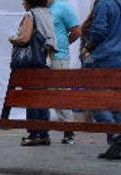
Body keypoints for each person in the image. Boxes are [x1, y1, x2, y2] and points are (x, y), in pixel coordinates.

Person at [82, 0, 121, 160]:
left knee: (96, 100)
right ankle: (118, 148)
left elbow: (99, 31)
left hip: (104, 57)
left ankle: (116, 135)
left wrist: (87, 48)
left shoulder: (104, 3)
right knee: (116, 103)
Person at [10, 0, 57, 147]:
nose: (23, 3)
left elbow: (25, 38)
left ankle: (33, 134)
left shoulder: (31, 14)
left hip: (32, 63)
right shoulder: (48, 14)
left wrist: (13, 39)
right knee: (42, 98)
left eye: (24, 1)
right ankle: (44, 134)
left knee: (31, 98)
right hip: (45, 61)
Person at [48, 0, 81, 144]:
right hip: (43, 57)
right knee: (47, 94)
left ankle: (69, 129)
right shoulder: (38, 7)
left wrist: (63, 44)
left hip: (59, 57)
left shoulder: (63, 7)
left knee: (61, 92)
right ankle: (42, 130)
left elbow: (76, 31)